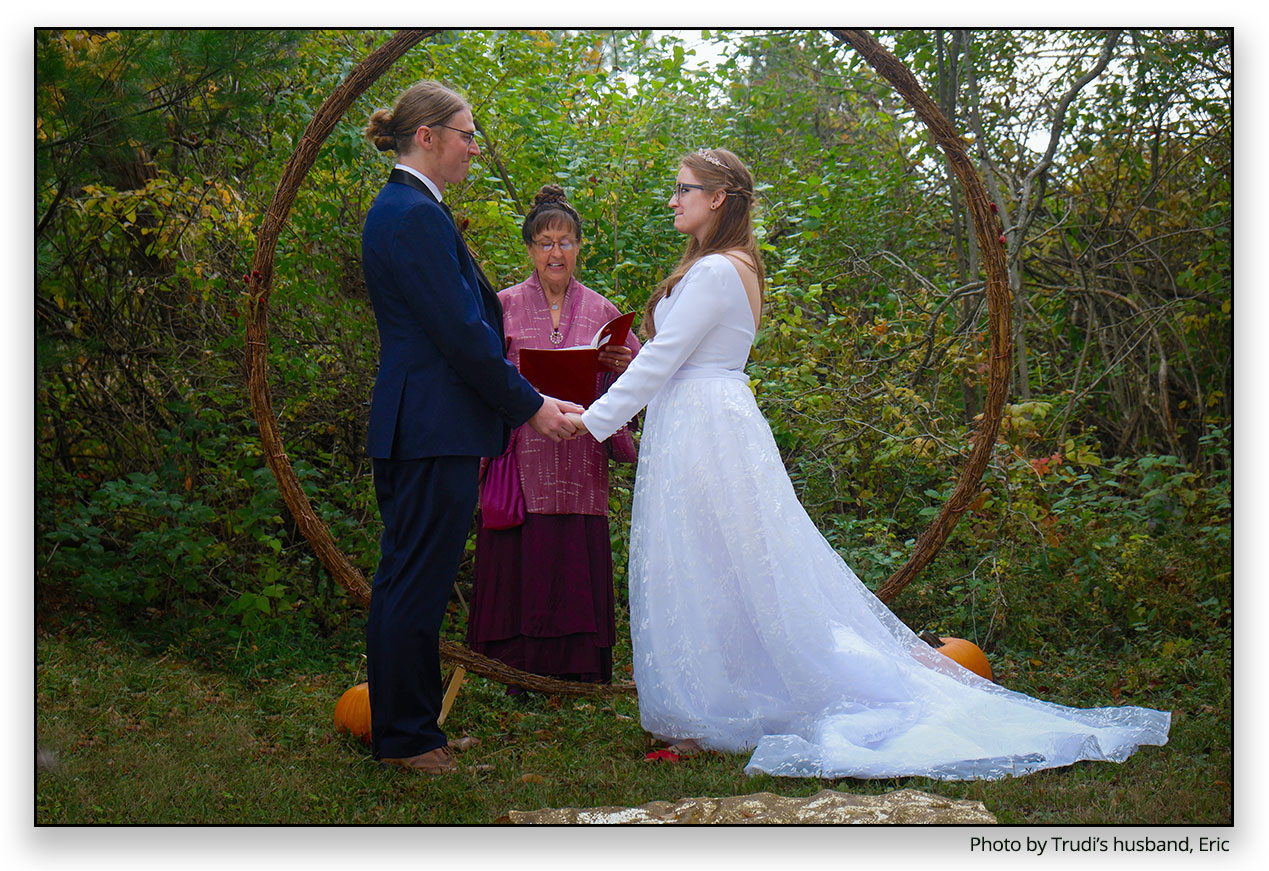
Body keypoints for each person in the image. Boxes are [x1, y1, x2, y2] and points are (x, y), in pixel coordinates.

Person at [565, 147, 1170, 780]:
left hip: (705, 424)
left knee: (717, 561)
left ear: (717, 198)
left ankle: (718, 711)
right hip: (703, 416)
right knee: (713, 563)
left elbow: (665, 361)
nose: (674, 199)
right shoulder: (733, 264)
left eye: (684, 188)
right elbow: (672, 359)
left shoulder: (718, 271)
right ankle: (722, 706)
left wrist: (592, 420)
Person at [360, 81, 581, 775]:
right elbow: (460, 334)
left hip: (428, 420)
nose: (473, 145)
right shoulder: (410, 215)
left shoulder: (409, 209)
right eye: (465, 132)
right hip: (430, 423)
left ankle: (416, 727)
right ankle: (406, 739)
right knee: (413, 581)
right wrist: (531, 405)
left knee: (414, 578)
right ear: (425, 137)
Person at [467, 185, 641, 685]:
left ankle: (577, 673)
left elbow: (638, 376)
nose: (555, 253)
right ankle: (508, 671)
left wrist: (615, 367)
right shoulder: (500, 307)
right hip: (520, 460)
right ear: (530, 250)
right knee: (520, 563)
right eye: (545, 243)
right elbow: (477, 375)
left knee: (572, 560)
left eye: (565, 242)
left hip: (581, 459)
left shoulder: (605, 311)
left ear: (579, 247)